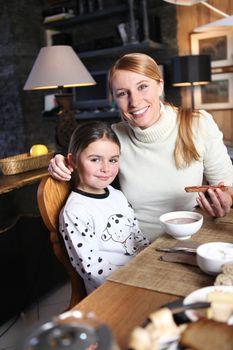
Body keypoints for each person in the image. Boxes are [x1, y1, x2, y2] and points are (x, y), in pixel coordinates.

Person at [50, 53, 233, 243]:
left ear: (160, 85)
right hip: (135, 247)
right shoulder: (114, 138)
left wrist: (226, 199)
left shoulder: (198, 124)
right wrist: (61, 162)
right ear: (114, 98)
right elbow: (83, 167)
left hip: (189, 237)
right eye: (122, 93)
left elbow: (229, 185)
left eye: (142, 87)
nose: (135, 102)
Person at [59, 121, 149, 294]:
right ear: (73, 161)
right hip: (113, 289)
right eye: (95, 159)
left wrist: (150, 264)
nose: (106, 168)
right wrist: (135, 281)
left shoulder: (117, 195)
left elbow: (137, 236)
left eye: (113, 160)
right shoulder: (75, 211)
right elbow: (92, 269)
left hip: (141, 274)